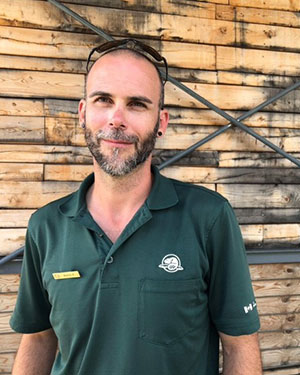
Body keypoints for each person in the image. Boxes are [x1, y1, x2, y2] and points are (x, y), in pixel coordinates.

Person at [10, 39, 262, 375]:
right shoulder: (46, 226)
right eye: (104, 100)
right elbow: (39, 340)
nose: (117, 119)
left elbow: (239, 344)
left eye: (137, 104)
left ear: (161, 121)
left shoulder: (208, 218)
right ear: (83, 113)